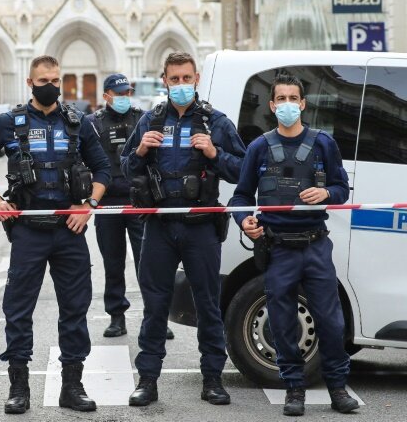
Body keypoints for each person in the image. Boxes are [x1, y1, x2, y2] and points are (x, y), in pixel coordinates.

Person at [0, 55, 111, 415]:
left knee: (75, 310)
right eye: (44, 79)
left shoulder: (77, 122)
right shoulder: (9, 122)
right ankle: (19, 387)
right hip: (28, 232)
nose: (51, 85)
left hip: (69, 230)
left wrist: (88, 205)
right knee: (18, 310)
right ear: (30, 83)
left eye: (56, 79)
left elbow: (104, 167)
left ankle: (72, 387)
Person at [229, 74, 359, 417]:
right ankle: (294, 388)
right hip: (278, 249)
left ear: (303, 103)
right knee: (283, 323)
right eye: (281, 99)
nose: (287, 104)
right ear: (272, 106)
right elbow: (240, 197)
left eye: (293, 98)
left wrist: (327, 193)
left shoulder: (323, 144)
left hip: (315, 246)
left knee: (331, 323)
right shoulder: (259, 147)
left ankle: (337, 388)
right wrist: (246, 220)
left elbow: (342, 189)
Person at [121, 52, 245, 407]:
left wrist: (214, 153)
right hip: (159, 226)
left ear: (197, 79)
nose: (180, 85)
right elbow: (127, 171)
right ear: (164, 81)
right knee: (155, 306)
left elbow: (242, 171)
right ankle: (147, 380)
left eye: (186, 79)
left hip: (200, 227)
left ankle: (212, 379)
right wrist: (142, 150)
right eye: (173, 79)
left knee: (207, 303)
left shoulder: (214, 122)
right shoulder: (150, 120)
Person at [86, 74, 174, 340]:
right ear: (106, 96)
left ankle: (156, 317)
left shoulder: (142, 119)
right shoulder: (93, 124)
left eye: (127, 93)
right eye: (119, 93)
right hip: (108, 203)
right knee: (113, 263)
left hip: (139, 201)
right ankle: (116, 317)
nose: (124, 98)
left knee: (147, 263)